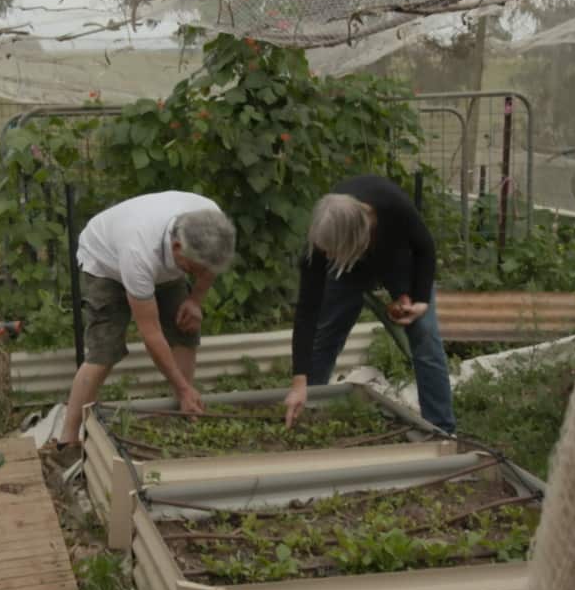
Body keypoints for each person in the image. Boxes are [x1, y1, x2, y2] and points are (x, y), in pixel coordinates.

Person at [46, 191, 236, 467]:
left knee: (185, 330)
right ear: (178, 248)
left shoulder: (211, 221)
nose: (199, 273)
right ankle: (68, 441)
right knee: (104, 350)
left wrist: (195, 301)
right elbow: (151, 334)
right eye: (194, 268)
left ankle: (186, 412)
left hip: (156, 258)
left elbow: (210, 267)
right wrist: (182, 387)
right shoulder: (138, 254)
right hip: (106, 263)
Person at [283, 175, 456, 434]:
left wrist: (418, 300)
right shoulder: (324, 237)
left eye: (331, 251)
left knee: (425, 337)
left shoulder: (393, 206)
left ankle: (441, 428)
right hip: (349, 262)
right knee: (326, 333)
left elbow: (425, 248)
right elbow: (307, 311)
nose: (326, 256)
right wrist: (299, 381)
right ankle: (307, 411)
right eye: (324, 250)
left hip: (398, 259)